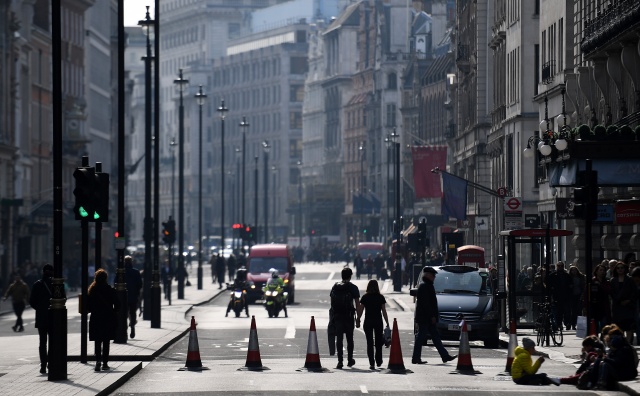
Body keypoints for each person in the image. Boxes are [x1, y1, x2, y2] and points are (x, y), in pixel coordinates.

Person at [411, 267, 457, 365]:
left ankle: (445, 356)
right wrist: (432, 316)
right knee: (421, 337)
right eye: (433, 275)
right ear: (427, 275)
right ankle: (416, 357)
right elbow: (426, 304)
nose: (434, 277)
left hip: (427, 317)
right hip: (425, 318)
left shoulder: (428, 286)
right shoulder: (424, 286)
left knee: (435, 337)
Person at [87, 268, 120, 372]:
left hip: (96, 317)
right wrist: (114, 311)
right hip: (107, 318)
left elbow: (88, 306)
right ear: (106, 278)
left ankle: (98, 361)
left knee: (97, 340)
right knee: (106, 341)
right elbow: (118, 304)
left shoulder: (92, 290)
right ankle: (105, 363)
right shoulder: (110, 290)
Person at [330, 266, 361, 369]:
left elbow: (332, 303)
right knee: (349, 338)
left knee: (339, 338)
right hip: (348, 316)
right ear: (350, 276)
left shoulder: (335, 286)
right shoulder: (353, 287)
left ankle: (340, 361)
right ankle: (350, 359)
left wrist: (332, 318)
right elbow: (357, 304)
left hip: (338, 315)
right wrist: (358, 318)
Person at [356, 279, 389, 370]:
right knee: (378, 342)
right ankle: (378, 360)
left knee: (369, 343)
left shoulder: (365, 297)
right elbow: (384, 311)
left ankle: (372, 363)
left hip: (368, 321)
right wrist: (387, 322)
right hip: (378, 321)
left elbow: (361, 310)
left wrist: (358, 319)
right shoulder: (380, 297)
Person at [29, 264, 53, 374]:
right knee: (53, 341)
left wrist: (39, 308)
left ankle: (43, 365)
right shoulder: (55, 284)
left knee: (42, 342)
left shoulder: (37, 284)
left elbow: (32, 301)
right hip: (53, 317)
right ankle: (52, 363)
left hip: (41, 316)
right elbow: (63, 299)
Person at [609, 262, 638, 342]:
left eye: (622, 268)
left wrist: (628, 300)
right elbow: (612, 293)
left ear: (625, 269)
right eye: (618, 268)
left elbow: (634, 292)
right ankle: (620, 342)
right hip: (617, 307)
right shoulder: (613, 280)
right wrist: (618, 300)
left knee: (628, 326)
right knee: (618, 327)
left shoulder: (630, 280)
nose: (620, 269)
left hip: (628, 306)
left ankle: (628, 342)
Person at [547, 261, 572, 330]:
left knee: (567, 311)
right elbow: (549, 286)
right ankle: (559, 324)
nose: (560, 267)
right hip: (557, 296)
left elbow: (570, 285)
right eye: (559, 266)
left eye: (561, 266)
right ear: (556, 266)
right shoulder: (552, 275)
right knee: (559, 311)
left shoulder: (567, 276)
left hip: (566, 296)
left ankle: (567, 323)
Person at [124, 256, 142, 338]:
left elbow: (115, 283)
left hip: (124, 297)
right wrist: (137, 292)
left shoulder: (121, 272)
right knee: (132, 312)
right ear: (131, 262)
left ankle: (124, 330)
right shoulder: (136, 272)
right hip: (133, 296)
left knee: (124, 314)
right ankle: (133, 328)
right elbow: (140, 284)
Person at [567, 265, 585, 330]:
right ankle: (573, 324)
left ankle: (580, 325)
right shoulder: (569, 277)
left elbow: (583, 285)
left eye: (575, 270)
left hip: (579, 295)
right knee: (573, 311)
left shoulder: (581, 277)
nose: (573, 271)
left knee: (579, 311)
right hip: (572, 296)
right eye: (572, 270)